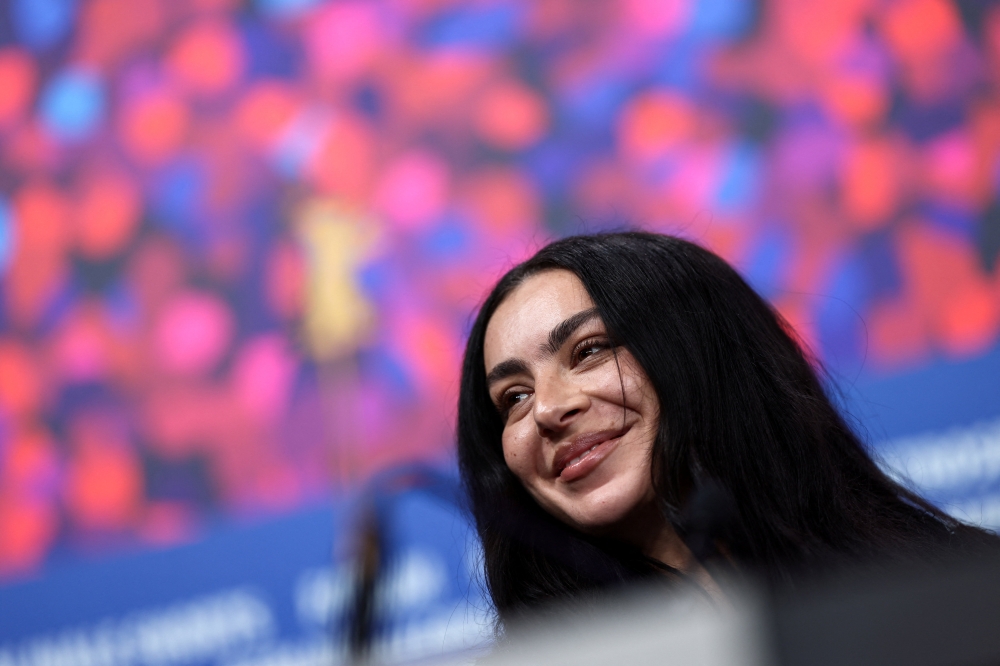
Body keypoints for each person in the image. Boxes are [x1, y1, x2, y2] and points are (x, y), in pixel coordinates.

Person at [457, 231, 998, 628]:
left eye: (590, 350)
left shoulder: (967, 587)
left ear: (706, 357)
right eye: (515, 398)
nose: (548, 409)